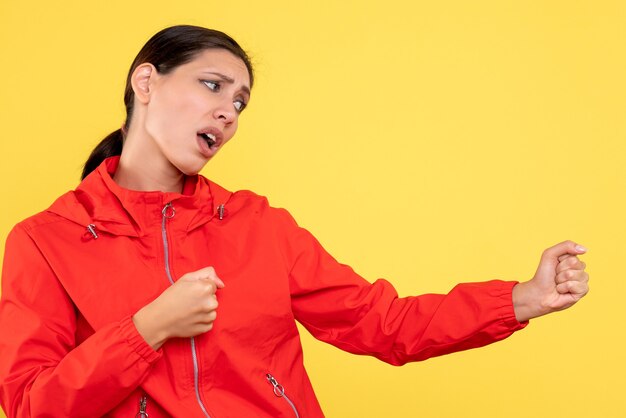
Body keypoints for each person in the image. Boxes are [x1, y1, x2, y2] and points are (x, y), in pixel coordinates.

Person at [0, 25, 589, 418]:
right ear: (146, 81)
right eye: (212, 86)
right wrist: (148, 328)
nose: (227, 113)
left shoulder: (259, 226)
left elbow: (381, 323)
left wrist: (519, 299)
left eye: (239, 103)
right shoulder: (44, 241)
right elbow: (30, 404)